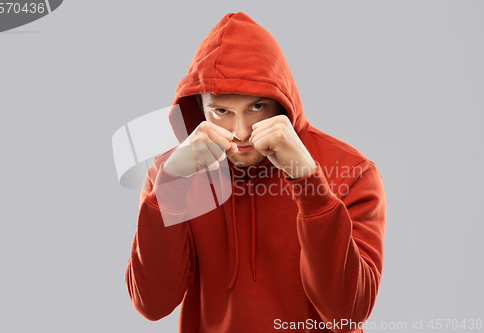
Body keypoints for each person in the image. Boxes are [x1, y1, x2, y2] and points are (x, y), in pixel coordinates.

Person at [125, 12, 386, 333]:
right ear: (199, 109)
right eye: (222, 111)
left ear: (282, 101)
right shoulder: (171, 175)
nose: (241, 131)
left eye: (257, 107)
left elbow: (348, 314)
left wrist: (307, 181)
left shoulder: (350, 171)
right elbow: (152, 304)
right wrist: (171, 187)